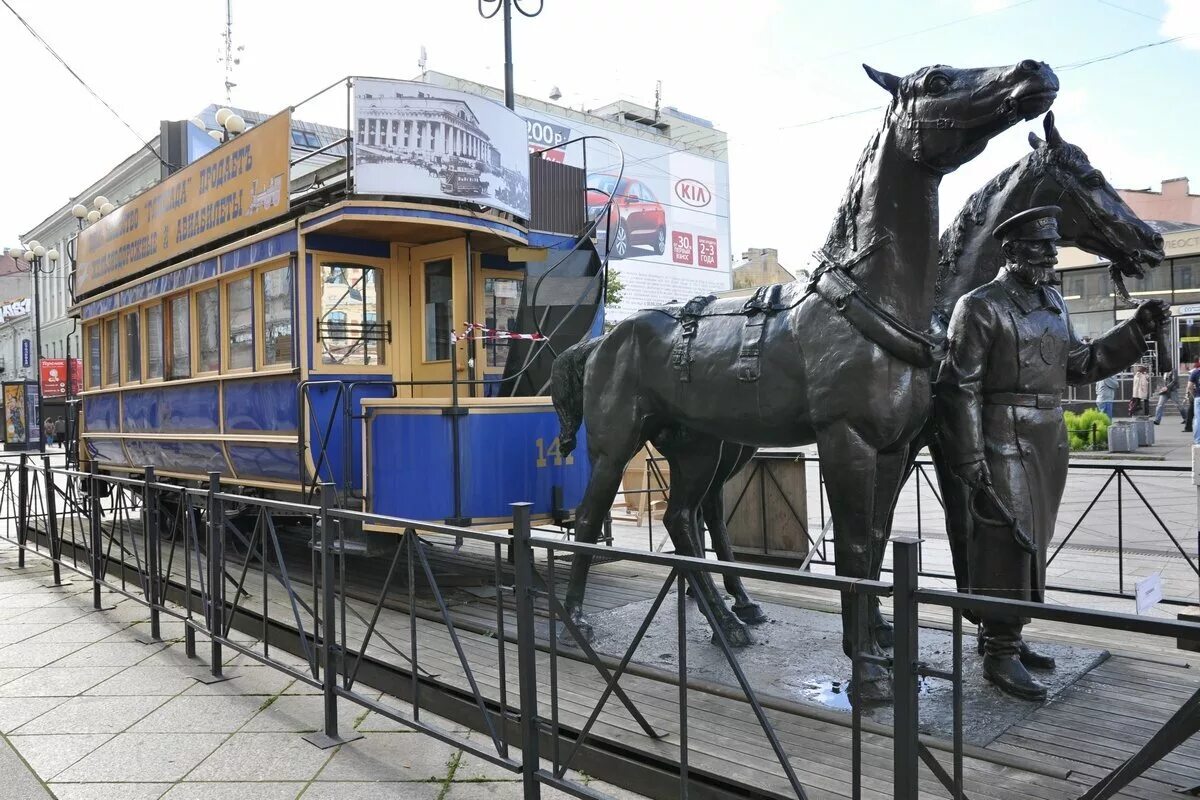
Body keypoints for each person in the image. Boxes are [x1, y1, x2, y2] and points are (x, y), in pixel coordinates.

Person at [936, 206, 1168, 701]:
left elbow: (1082, 364)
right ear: (1012, 250)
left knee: (1034, 539)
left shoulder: (1054, 303)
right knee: (1009, 539)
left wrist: (1135, 330)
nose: (1051, 255)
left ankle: (1008, 638)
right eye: (1041, 246)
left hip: (1047, 436)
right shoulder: (979, 306)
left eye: (1052, 246)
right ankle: (1000, 649)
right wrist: (969, 457)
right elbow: (959, 389)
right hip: (1001, 435)